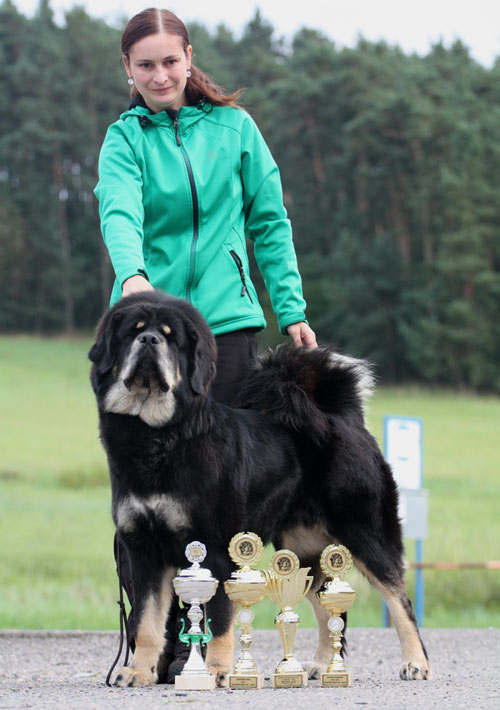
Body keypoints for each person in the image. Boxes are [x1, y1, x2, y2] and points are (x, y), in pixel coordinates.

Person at [94, 6, 317, 682]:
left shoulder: (235, 129)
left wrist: (292, 306)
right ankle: (153, 648)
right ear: (127, 70)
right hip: (145, 331)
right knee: (141, 501)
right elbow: (119, 208)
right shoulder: (123, 138)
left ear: (188, 58)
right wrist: (133, 276)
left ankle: (226, 646)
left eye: (170, 60)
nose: (160, 74)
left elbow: (270, 221)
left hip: (225, 332)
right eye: (146, 64)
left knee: (227, 496)